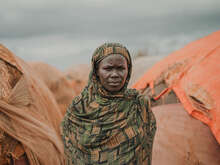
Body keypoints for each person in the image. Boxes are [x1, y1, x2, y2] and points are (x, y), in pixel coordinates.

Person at [61, 43, 157, 165]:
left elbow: (146, 146)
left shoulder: (138, 104)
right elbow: (71, 150)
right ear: (96, 71)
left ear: (128, 69)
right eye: (108, 69)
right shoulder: (79, 108)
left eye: (121, 68)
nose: (115, 74)